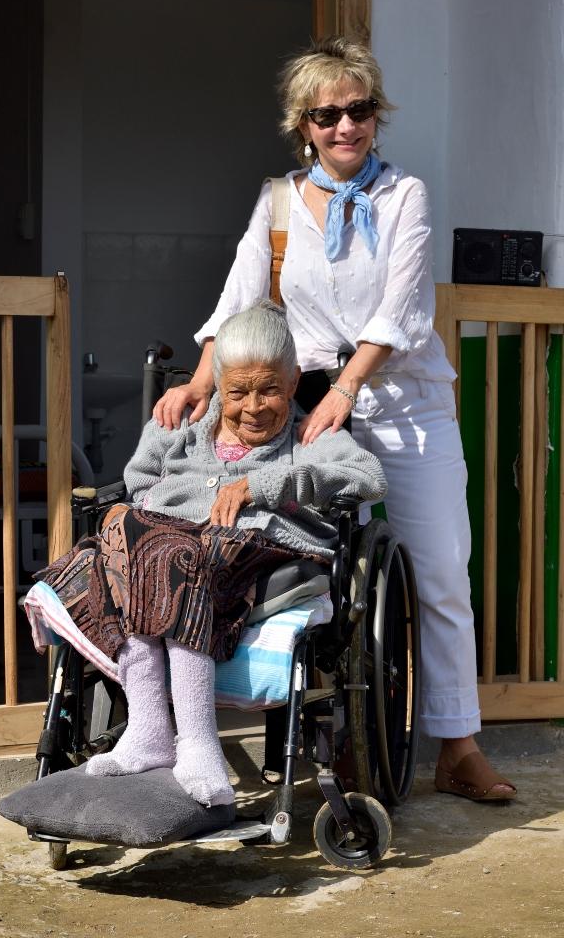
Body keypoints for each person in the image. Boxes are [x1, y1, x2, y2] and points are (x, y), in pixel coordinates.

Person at [153, 37, 516, 802]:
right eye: (328, 114)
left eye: (359, 110)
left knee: (443, 571)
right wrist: (197, 382)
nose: (345, 125)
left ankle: (458, 745)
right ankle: (338, 738)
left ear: (377, 116)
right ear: (305, 126)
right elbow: (238, 300)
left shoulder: (405, 195)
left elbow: (402, 305)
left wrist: (349, 390)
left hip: (403, 402)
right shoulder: (278, 201)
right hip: (311, 405)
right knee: (319, 569)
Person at [27, 301, 386, 808]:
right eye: (237, 391)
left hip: (259, 558)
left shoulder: (310, 437)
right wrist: (158, 517)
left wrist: (261, 485)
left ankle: (194, 742)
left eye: (271, 390)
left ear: (294, 379)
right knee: (105, 548)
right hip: (170, 555)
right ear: (216, 381)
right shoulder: (184, 424)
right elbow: (138, 483)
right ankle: (152, 732)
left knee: (161, 552)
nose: (254, 407)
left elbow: (369, 478)